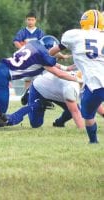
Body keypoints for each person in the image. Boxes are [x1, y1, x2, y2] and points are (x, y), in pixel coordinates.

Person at [49, 9, 104, 144]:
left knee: (88, 113)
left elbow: (53, 51)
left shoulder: (74, 35)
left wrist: (45, 54)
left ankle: (93, 141)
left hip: (95, 83)